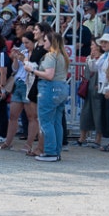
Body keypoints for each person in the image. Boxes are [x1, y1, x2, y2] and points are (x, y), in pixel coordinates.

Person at [26, 32, 69, 162]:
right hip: (61, 88)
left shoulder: (50, 56)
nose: (43, 43)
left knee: (46, 122)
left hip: (50, 88)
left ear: (52, 42)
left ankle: (50, 152)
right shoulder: (62, 56)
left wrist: (32, 70)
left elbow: (49, 75)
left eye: (45, 40)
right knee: (56, 121)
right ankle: (56, 151)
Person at [1, 32, 39, 153]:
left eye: (27, 43)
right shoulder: (24, 53)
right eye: (24, 43)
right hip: (18, 84)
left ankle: (29, 144)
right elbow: (15, 69)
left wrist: (24, 60)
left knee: (32, 116)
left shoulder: (38, 53)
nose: (25, 45)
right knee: (12, 115)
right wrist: (15, 59)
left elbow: (35, 69)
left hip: (29, 85)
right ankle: (8, 142)